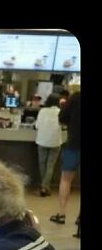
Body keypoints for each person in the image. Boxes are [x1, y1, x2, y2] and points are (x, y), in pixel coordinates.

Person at [51, 90, 80, 231]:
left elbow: (62, 118)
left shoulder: (75, 97)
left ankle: (61, 214)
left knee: (66, 179)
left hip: (74, 143)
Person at [34, 94, 63, 196]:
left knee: (42, 164)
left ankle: (44, 187)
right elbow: (63, 125)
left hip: (42, 140)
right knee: (50, 165)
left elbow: (37, 125)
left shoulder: (42, 111)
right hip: (55, 142)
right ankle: (45, 187)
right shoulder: (60, 112)